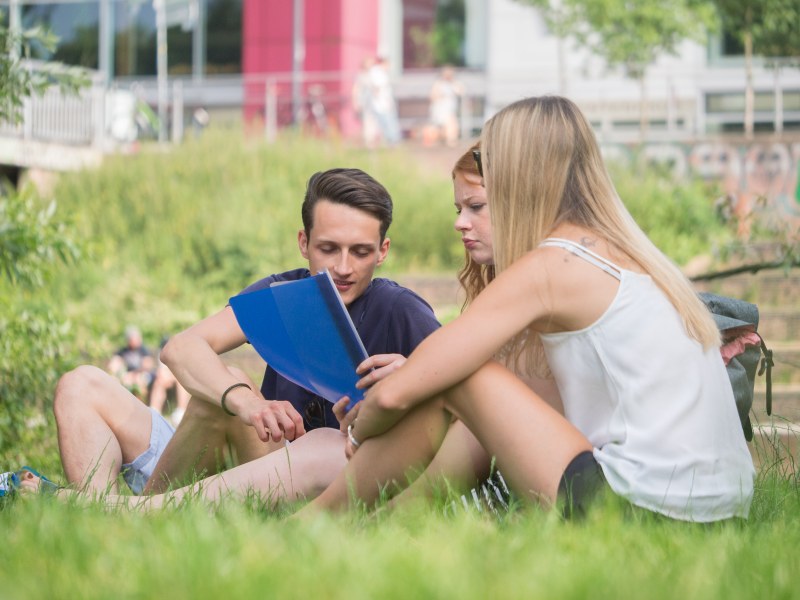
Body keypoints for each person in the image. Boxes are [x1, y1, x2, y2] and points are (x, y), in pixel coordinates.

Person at [302, 96, 755, 522]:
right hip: (719, 514)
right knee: (463, 382)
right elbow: (525, 394)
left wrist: (363, 429)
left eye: (490, 168)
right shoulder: (620, 254)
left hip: (642, 509)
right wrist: (419, 381)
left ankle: (318, 523)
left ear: (519, 175)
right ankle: (389, 523)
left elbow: (407, 389)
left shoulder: (554, 264)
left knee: (464, 374)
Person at [50, 168, 440, 501]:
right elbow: (181, 348)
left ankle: (128, 514)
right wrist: (250, 404)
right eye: (328, 248)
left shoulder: (401, 310)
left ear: (383, 250)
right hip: (238, 455)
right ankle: (100, 510)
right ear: (303, 244)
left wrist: (414, 375)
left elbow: (462, 404)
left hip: (305, 477)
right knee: (79, 384)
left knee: (227, 390)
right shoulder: (279, 294)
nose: (343, 267)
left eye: (360, 251)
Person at [106, 325, 156, 402]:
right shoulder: (123, 351)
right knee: (118, 380)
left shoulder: (143, 350)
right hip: (127, 375)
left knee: (139, 381)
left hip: (142, 374)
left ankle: (141, 407)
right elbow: (113, 364)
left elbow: (147, 366)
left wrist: (133, 374)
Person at [429, 66, 464, 148]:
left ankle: (451, 141)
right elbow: (433, 96)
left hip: (450, 110)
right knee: (444, 127)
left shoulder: (454, 83)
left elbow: (461, 92)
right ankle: (449, 141)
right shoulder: (438, 84)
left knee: (451, 125)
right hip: (441, 109)